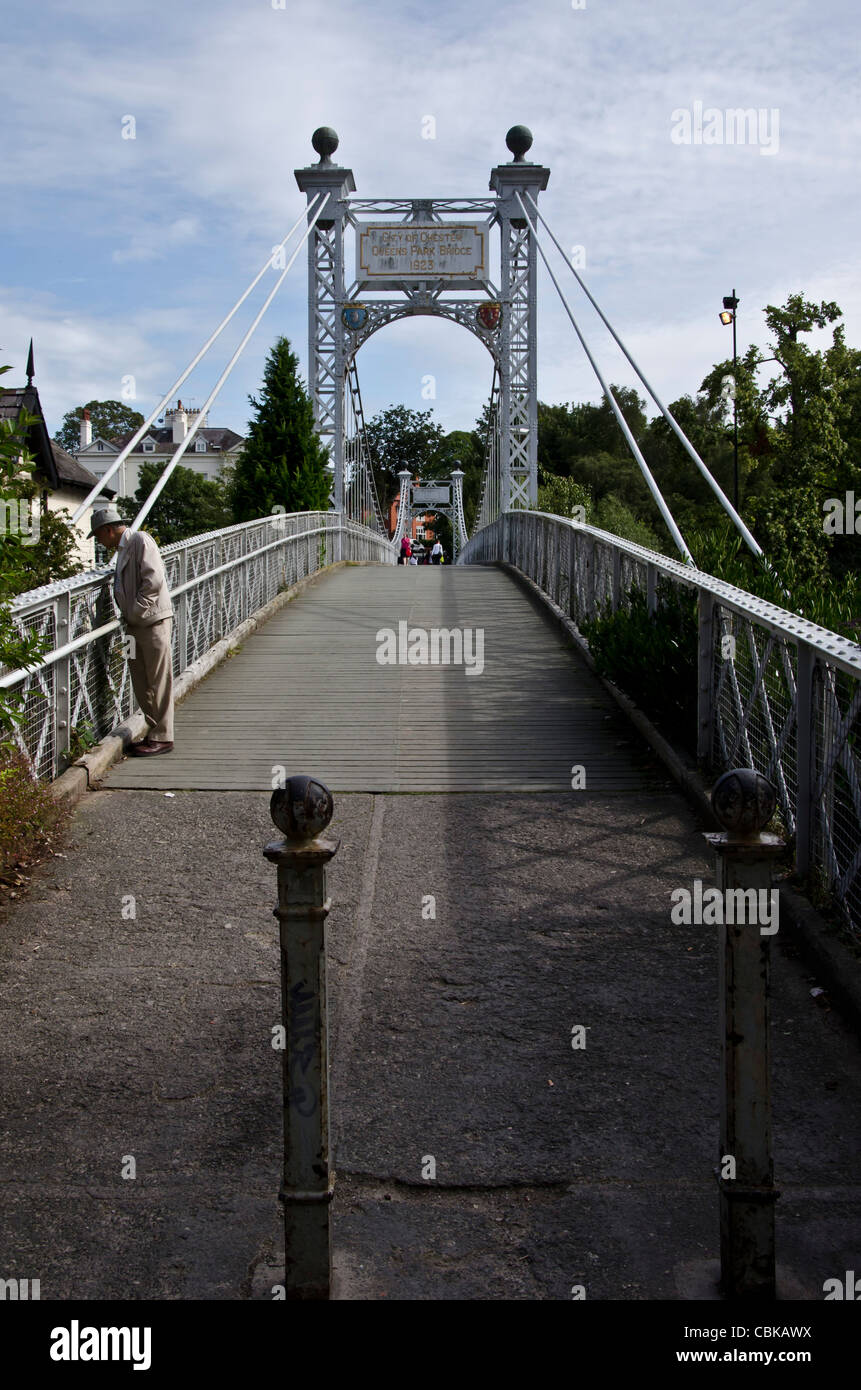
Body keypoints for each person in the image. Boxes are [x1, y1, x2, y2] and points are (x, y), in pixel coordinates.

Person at [88, 505, 175, 756]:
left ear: (108, 530)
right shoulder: (123, 549)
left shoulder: (140, 540)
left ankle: (163, 737)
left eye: (98, 536)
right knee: (140, 679)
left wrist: (136, 611)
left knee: (158, 679)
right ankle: (153, 731)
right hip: (134, 625)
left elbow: (154, 580)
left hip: (151, 622)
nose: (99, 541)